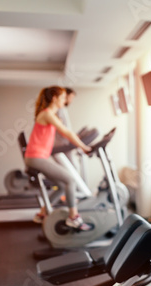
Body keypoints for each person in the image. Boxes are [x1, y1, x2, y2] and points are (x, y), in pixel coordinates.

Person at [24, 86, 94, 230]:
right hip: (36, 158)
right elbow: (66, 132)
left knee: (62, 186)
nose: (64, 100)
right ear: (55, 99)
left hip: (37, 157)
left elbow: (66, 133)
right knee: (70, 180)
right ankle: (73, 218)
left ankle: (41, 214)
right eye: (62, 97)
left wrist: (79, 142)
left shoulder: (49, 114)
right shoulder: (48, 114)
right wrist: (84, 147)